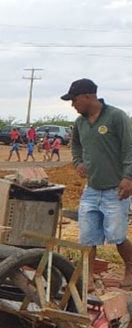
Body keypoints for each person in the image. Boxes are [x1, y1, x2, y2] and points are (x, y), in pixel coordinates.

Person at [63, 78, 132, 288]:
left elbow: (130, 148)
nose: (72, 105)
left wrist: (128, 177)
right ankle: (88, 276)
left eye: (74, 100)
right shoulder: (80, 123)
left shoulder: (116, 117)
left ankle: (130, 269)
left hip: (115, 189)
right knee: (87, 236)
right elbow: (75, 145)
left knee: (117, 236)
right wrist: (78, 162)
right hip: (91, 189)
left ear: (87, 97)